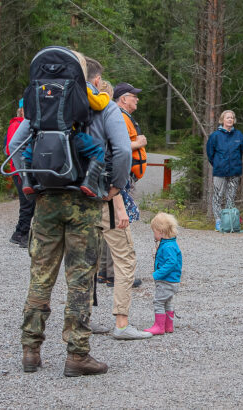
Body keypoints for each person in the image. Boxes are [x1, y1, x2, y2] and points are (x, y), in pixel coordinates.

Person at [10, 50, 131, 376]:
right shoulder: (103, 105)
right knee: (79, 279)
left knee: (40, 276)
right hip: (85, 201)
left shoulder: (42, 102)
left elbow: (15, 146)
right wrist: (115, 187)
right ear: (92, 77)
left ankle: (30, 350)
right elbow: (121, 150)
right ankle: (77, 355)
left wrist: (28, 180)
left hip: (46, 200)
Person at [89, 66, 151, 341]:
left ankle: (79, 322)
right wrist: (116, 196)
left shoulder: (72, 113)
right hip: (105, 195)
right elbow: (122, 152)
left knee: (83, 260)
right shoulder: (109, 114)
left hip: (77, 196)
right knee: (125, 258)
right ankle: (122, 324)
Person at [143, 212, 182, 336]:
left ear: (160, 231)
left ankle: (159, 326)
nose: (154, 234)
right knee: (168, 302)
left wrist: (158, 274)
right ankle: (168, 326)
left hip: (166, 280)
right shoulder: (170, 243)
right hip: (172, 280)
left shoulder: (168, 246)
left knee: (159, 302)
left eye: (154, 231)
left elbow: (171, 262)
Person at [205, 110, 243, 227]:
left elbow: (241, 151)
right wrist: (218, 164)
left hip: (234, 171)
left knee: (231, 197)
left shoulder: (238, 135)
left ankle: (229, 221)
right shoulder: (215, 136)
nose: (230, 119)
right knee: (217, 196)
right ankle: (218, 221)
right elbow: (210, 154)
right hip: (220, 172)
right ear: (222, 119)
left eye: (232, 118)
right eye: (228, 117)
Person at [6, 101, 33, 248]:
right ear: (21, 110)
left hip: (20, 168)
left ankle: (19, 233)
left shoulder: (21, 124)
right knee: (27, 203)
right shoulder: (17, 125)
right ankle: (23, 234)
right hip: (19, 170)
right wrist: (21, 169)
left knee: (28, 203)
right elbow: (12, 147)